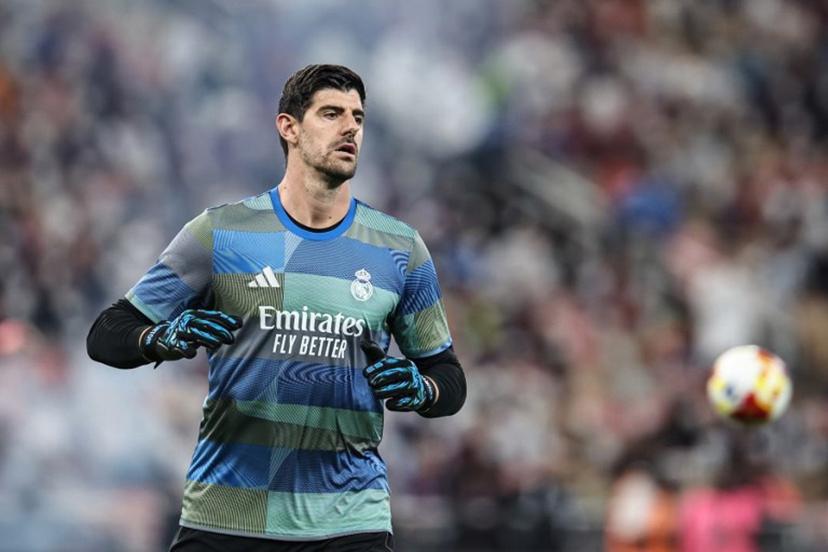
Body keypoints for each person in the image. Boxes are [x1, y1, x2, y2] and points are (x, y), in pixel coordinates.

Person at [87, 64, 466, 552]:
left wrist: (424, 389)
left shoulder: (400, 248)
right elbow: (106, 333)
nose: (351, 127)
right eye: (331, 113)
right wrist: (161, 337)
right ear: (288, 126)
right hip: (228, 516)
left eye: (358, 116)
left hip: (347, 521)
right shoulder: (220, 232)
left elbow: (447, 377)